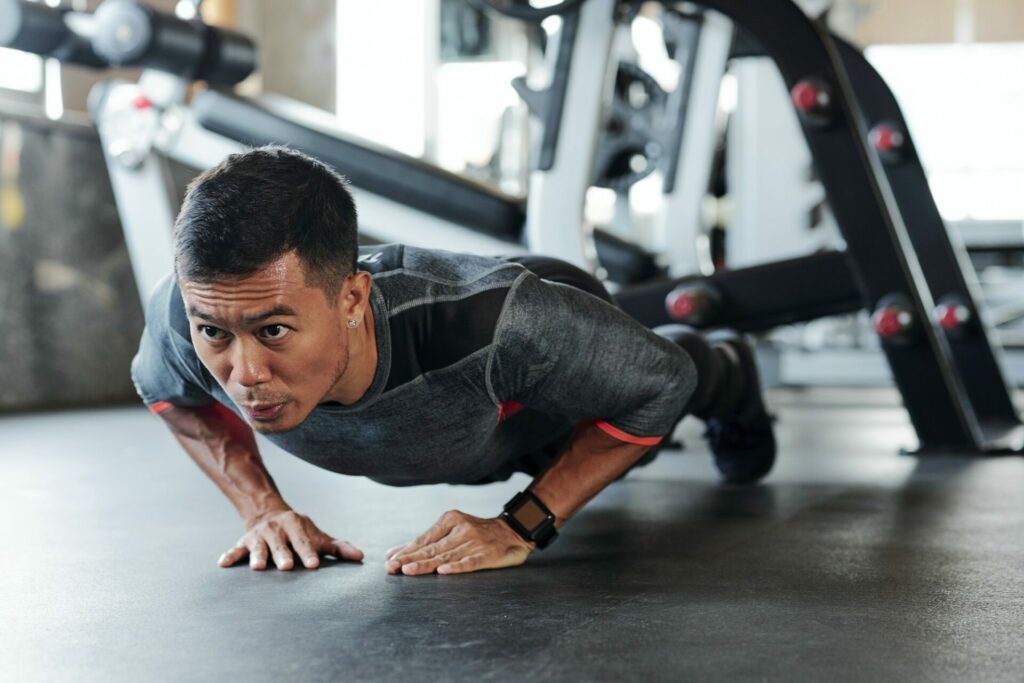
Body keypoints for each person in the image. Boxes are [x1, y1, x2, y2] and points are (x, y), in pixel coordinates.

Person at [131, 146, 775, 577]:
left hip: (537, 393)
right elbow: (168, 396)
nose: (243, 375)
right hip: (469, 432)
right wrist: (261, 507)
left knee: (649, 412)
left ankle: (728, 363)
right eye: (216, 332)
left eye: (273, 330)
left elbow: (660, 385)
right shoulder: (183, 319)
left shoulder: (497, 324)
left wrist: (522, 523)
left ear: (353, 297)